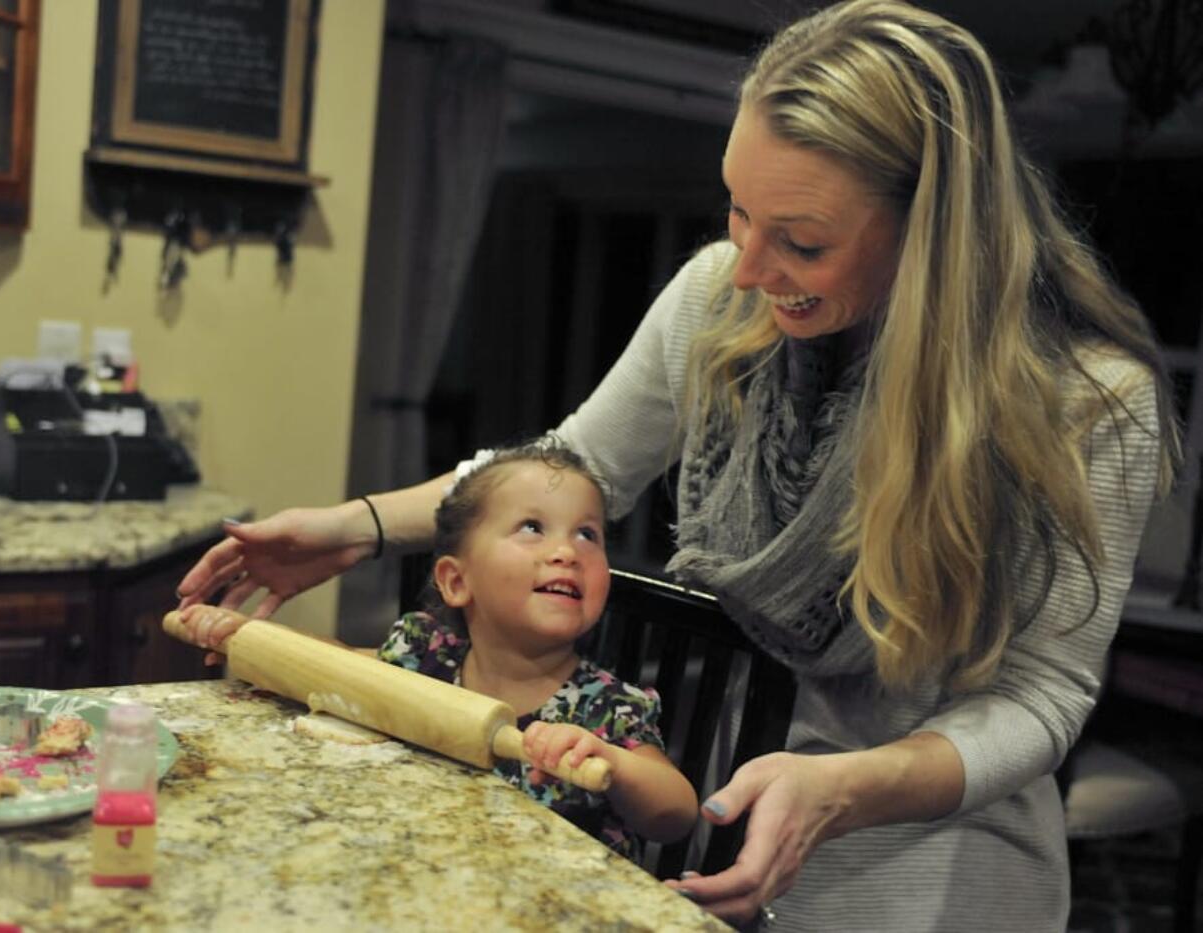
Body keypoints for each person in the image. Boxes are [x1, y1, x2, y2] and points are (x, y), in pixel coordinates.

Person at [177, 1, 1181, 929]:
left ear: (931, 235)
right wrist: (353, 528)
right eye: (735, 212)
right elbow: (571, 464)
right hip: (725, 812)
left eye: (798, 241)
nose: (745, 267)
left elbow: (1040, 699)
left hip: (929, 866)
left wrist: (843, 785)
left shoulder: (1085, 403)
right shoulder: (724, 297)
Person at [172, 440, 699, 863]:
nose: (566, 551)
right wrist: (243, 634)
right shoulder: (427, 654)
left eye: (588, 534)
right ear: (455, 580)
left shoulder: (605, 708)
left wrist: (611, 762)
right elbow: (336, 670)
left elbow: (674, 814)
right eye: (532, 528)